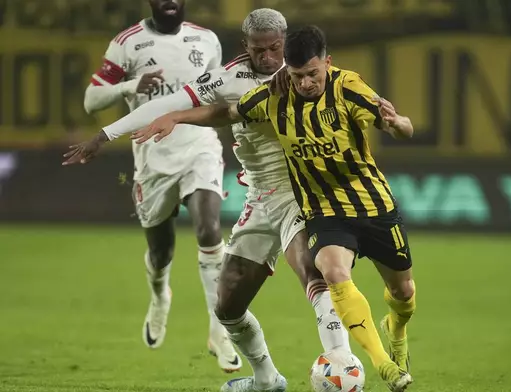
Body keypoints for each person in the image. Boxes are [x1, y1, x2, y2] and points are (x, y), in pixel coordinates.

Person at [64, 10, 352, 392]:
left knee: (308, 268)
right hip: (260, 197)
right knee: (227, 304)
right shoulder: (229, 76)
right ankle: (266, 380)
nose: (268, 58)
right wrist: (105, 135)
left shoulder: (306, 74)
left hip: (300, 192)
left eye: (275, 49)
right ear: (244, 47)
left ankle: (344, 364)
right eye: (259, 50)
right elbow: (171, 103)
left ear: (285, 43)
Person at [131, 25, 416, 392]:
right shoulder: (273, 97)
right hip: (317, 206)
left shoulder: (348, 86)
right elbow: (227, 111)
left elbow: (400, 124)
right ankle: (360, 369)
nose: (306, 83)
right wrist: (176, 117)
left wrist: (397, 124)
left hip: (367, 203)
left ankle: (387, 336)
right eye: (297, 76)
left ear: (327, 63)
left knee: (402, 293)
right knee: (310, 277)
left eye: (313, 74)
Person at [76, 0, 241, 372]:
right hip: (151, 160)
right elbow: (91, 100)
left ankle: (220, 330)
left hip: (199, 147)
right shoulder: (128, 42)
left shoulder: (207, 40)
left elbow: (218, 96)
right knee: (161, 252)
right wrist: (131, 85)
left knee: (210, 229)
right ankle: (159, 294)